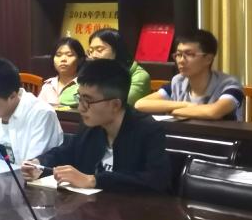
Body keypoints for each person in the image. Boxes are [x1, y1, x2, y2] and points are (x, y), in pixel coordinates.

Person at [22, 59, 171, 193]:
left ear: (115, 105)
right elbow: (66, 152)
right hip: (92, 208)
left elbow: (156, 181)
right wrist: (39, 164)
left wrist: (93, 180)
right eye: (79, 98)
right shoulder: (91, 126)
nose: (81, 108)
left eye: (88, 101)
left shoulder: (147, 130)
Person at [135, 29, 244, 121]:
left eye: (189, 54)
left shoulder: (229, 84)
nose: (181, 60)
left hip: (220, 137)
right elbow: (140, 104)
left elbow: (213, 112)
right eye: (178, 54)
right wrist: (186, 105)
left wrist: (172, 110)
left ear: (208, 59)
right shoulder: (178, 81)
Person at [87, 28, 151, 107]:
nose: (93, 55)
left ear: (117, 50)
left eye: (99, 50)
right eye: (91, 51)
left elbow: (118, 104)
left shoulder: (138, 75)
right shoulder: (94, 72)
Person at [39, 37, 85, 107]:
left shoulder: (85, 85)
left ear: (80, 60)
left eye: (69, 55)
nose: (63, 59)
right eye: (58, 55)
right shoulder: (48, 85)